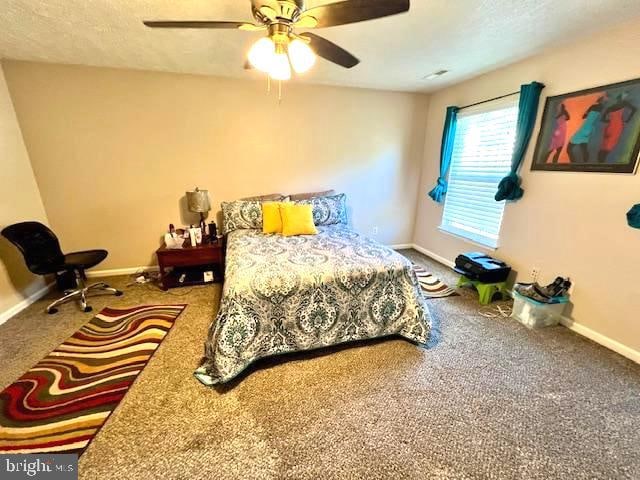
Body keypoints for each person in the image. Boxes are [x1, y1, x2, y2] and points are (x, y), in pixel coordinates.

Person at [598, 92, 637, 163]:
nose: (625, 98)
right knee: (607, 147)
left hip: (610, 127)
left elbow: (602, 119)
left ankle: (600, 163)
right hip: (617, 127)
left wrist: (609, 120)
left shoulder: (610, 108)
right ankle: (601, 163)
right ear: (621, 98)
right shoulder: (624, 103)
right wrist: (628, 119)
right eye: (624, 96)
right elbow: (634, 109)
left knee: (604, 147)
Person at [567, 95, 607, 163]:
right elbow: (600, 120)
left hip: (585, 128)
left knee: (569, 149)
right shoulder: (602, 109)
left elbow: (584, 116)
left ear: (599, 100)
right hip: (591, 129)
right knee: (584, 149)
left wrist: (586, 113)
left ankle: (573, 163)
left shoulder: (593, 106)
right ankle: (585, 164)